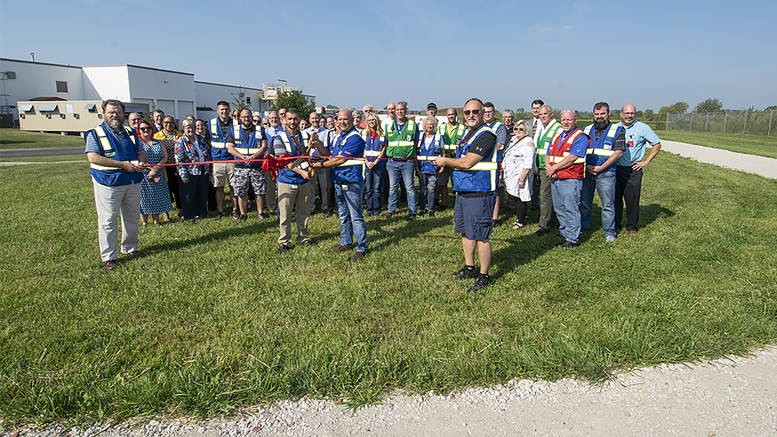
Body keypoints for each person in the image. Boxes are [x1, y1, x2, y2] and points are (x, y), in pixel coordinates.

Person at [433, 98, 498, 292]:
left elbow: (468, 162)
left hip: (480, 192)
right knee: (465, 231)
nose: (471, 115)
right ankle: (470, 267)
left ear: (483, 113)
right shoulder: (469, 134)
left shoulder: (486, 135)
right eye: (468, 112)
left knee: (481, 236)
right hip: (463, 191)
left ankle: (484, 276)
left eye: (475, 112)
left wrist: (445, 161)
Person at [85, 99, 148, 271]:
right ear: (104, 113)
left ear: (123, 114)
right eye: (111, 112)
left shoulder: (130, 132)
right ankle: (108, 257)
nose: (115, 115)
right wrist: (122, 165)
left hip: (132, 181)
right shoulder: (95, 133)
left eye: (118, 112)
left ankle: (130, 248)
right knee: (108, 220)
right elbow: (93, 157)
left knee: (132, 217)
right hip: (108, 182)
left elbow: (141, 151)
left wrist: (142, 162)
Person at [310, 109, 368, 261]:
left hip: (352, 181)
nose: (342, 122)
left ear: (352, 119)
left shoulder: (355, 137)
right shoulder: (338, 136)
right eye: (340, 119)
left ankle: (362, 248)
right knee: (343, 215)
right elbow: (329, 153)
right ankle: (346, 243)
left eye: (345, 119)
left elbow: (339, 160)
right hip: (339, 180)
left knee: (356, 216)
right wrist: (317, 144)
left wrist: (320, 166)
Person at [580, 102, 625, 242]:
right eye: (597, 114)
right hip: (587, 172)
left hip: (606, 173)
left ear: (608, 113)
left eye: (602, 114)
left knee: (607, 204)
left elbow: (618, 153)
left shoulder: (617, 130)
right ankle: (583, 228)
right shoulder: (585, 130)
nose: (599, 117)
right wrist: (586, 166)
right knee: (585, 202)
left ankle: (609, 231)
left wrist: (601, 167)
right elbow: (579, 150)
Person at [545, 110, 590, 248]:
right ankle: (564, 231)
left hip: (571, 178)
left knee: (571, 208)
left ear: (575, 120)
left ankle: (572, 238)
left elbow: (572, 158)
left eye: (569, 120)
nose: (565, 122)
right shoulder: (557, 135)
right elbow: (548, 154)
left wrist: (553, 168)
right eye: (563, 120)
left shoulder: (580, 137)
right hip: (556, 177)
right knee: (559, 207)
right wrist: (549, 168)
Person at [616, 103, 662, 235]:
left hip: (633, 169)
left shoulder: (643, 128)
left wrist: (646, 161)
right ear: (621, 114)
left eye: (632, 113)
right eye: (627, 113)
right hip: (615, 168)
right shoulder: (614, 128)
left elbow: (657, 144)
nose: (629, 116)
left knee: (632, 199)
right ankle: (616, 225)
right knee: (615, 198)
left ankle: (632, 226)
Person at [273, 109, 313, 254]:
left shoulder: (306, 136)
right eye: (289, 119)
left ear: (299, 119)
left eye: (295, 119)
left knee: (304, 212)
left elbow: (310, 155)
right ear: (284, 120)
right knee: (285, 214)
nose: (292, 122)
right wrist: (301, 172)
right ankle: (285, 241)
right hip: (286, 180)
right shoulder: (279, 138)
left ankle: (303, 237)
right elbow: (283, 161)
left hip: (304, 182)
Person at [227, 109, 268, 221]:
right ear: (240, 118)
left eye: (249, 116)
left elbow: (264, 146)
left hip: (257, 166)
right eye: (244, 117)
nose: (246, 119)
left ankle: (260, 212)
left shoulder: (260, 130)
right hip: (241, 166)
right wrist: (243, 158)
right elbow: (230, 148)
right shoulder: (234, 130)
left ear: (252, 117)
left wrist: (253, 157)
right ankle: (243, 214)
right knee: (241, 191)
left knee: (260, 191)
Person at [384, 101, 419, 219]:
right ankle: (391, 210)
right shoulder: (388, 126)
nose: (400, 112)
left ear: (406, 111)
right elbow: (386, 143)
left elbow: (415, 143)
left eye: (402, 109)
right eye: (397, 109)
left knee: (409, 187)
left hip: (407, 161)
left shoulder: (413, 125)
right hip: (392, 162)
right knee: (392, 187)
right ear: (394, 111)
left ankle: (412, 211)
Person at [175, 118, 212, 222]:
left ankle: (201, 214)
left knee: (202, 194)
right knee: (188, 196)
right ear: (183, 129)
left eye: (192, 127)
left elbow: (207, 154)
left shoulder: (200, 139)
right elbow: (179, 160)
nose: (190, 130)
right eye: (188, 128)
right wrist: (183, 175)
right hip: (189, 173)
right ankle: (189, 216)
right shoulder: (180, 142)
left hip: (203, 171)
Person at [137, 119, 172, 227]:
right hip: (143, 174)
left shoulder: (158, 142)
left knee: (156, 197)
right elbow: (137, 157)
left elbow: (165, 157)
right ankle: (144, 222)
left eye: (148, 128)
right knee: (144, 198)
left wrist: (156, 168)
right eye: (143, 129)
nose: (146, 130)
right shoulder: (137, 143)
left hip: (158, 173)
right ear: (139, 130)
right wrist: (150, 168)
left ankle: (156, 220)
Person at [534, 105, 562, 236]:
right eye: (540, 114)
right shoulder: (542, 128)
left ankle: (543, 226)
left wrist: (552, 167)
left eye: (545, 114)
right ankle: (554, 221)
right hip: (541, 166)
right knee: (546, 195)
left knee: (545, 196)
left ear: (551, 114)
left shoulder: (557, 128)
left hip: (549, 167)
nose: (542, 116)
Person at [503, 120, 535, 229]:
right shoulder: (514, 139)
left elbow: (528, 163)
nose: (518, 131)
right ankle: (518, 218)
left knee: (521, 198)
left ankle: (521, 221)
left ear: (527, 131)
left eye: (521, 129)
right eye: (516, 128)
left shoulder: (528, 142)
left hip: (520, 174)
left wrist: (522, 179)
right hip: (511, 174)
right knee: (514, 196)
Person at [209, 101, 239, 220]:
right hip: (217, 159)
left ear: (229, 110)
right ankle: (220, 210)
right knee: (219, 186)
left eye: (226, 109)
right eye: (222, 109)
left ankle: (235, 209)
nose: (224, 111)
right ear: (217, 111)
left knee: (233, 186)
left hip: (232, 159)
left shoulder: (236, 123)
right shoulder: (211, 123)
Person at [153, 116, 182, 221]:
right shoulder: (157, 136)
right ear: (162, 123)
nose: (169, 124)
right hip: (163, 168)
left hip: (177, 167)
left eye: (171, 122)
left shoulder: (180, 135)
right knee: (166, 191)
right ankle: (166, 214)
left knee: (178, 189)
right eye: (166, 122)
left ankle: (181, 211)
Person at [437, 107, 466, 211]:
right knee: (443, 183)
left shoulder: (462, 128)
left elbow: (463, 144)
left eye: (452, 114)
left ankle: (457, 204)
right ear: (446, 116)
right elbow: (439, 143)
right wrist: (444, 155)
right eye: (449, 115)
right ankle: (444, 204)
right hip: (444, 158)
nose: (451, 116)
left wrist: (452, 153)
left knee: (456, 183)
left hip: (456, 160)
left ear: (456, 115)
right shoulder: (441, 128)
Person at [484, 102, 507, 227]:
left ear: (494, 112)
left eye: (490, 111)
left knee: (495, 190)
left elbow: (499, 145)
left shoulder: (500, 127)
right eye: (485, 111)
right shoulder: (480, 126)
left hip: (494, 163)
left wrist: (481, 151)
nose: (487, 113)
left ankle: (495, 218)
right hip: (481, 164)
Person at [305, 111, 334, 215]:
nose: (314, 120)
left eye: (316, 118)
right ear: (309, 120)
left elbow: (326, 148)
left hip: (322, 161)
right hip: (310, 161)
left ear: (320, 119)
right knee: (310, 186)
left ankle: (325, 205)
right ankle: (311, 206)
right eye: (312, 118)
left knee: (324, 185)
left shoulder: (326, 132)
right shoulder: (306, 132)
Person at [416, 116, 444, 217]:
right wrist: (416, 168)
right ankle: (422, 209)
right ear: (424, 126)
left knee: (432, 189)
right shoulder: (420, 137)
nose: (429, 126)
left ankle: (430, 209)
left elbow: (442, 152)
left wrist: (442, 167)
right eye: (427, 124)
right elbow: (416, 153)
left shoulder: (438, 137)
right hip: (422, 167)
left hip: (433, 168)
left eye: (431, 124)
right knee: (422, 189)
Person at [362, 113, 387, 217]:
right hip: (368, 163)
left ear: (377, 121)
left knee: (376, 188)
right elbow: (362, 149)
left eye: (373, 120)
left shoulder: (382, 134)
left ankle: (377, 208)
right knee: (369, 188)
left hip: (379, 164)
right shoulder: (364, 133)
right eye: (369, 120)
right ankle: (369, 209)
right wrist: (367, 162)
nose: (371, 122)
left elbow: (383, 150)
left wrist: (375, 162)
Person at [264, 111, 282, 212]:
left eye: (275, 118)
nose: (273, 120)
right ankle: (271, 205)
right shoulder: (265, 132)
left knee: (281, 184)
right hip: (269, 162)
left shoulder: (283, 131)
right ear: (268, 120)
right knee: (270, 184)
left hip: (280, 162)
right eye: (271, 118)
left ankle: (282, 204)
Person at [529, 99, 544, 211]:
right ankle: (534, 204)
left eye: (538, 108)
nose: (536, 110)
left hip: (542, 155)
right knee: (532, 179)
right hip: (530, 155)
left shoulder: (545, 124)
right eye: (534, 108)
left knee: (542, 181)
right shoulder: (528, 123)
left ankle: (543, 203)